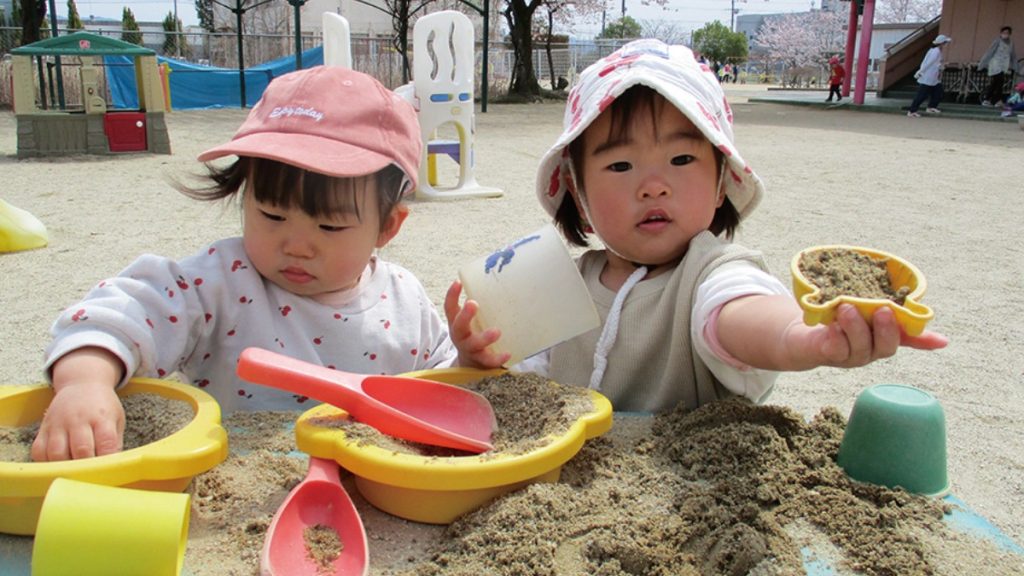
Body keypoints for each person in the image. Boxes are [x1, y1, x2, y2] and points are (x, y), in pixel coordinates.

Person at [447, 39, 948, 413]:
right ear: (577, 194)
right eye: (620, 166)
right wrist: (478, 359)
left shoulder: (714, 272)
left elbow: (740, 314)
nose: (653, 186)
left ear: (721, 182)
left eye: (682, 159)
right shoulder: (560, 285)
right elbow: (514, 386)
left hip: (693, 494)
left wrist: (800, 335)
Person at [31, 66, 468, 462]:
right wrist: (85, 381)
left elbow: (439, 389)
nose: (296, 246)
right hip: (232, 479)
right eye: (272, 215)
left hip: (371, 489)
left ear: (387, 227)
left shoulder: (404, 300)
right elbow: (122, 313)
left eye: (329, 226)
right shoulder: (220, 282)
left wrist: (467, 357)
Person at [908, 35, 952, 117]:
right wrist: (920, 72)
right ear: (942, 43)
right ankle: (912, 111)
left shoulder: (935, 50)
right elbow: (928, 63)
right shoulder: (936, 51)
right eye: (945, 43)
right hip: (928, 76)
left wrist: (941, 65)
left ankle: (931, 107)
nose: (946, 44)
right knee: (922, 95)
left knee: (938, 92)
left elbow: (934, 63)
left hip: (933, 77)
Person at [979, 26, 1016, 107]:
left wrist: (1015, 66)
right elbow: (990, 52)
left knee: (996, 83)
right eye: (1004, 33)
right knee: (999, 81)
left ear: (1010, 34)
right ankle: (996, 100)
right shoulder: (997, 41)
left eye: (1007, 33)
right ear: (1001, 33)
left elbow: (1013, 55)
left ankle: (987, 99)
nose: (1005, 34)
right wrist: (983, 63)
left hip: (1004, 66)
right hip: (995, 65)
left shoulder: (1011, 43)